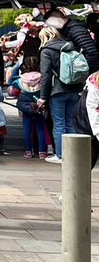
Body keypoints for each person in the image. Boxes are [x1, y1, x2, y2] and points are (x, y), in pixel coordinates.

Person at [37, 25, 84, 164]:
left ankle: (60, 155)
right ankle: (72, 155)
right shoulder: (70, 46)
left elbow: (46, 76)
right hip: (75, 89)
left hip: (57, 91)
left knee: (59, 124)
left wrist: (43, 97)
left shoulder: (46, 51)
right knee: (71, 122)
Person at [15, 55, 49, 159]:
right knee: (41, 128)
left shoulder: (21, 79)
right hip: (39, 106)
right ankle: (42, 152)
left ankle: (29, 151)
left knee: (27, 129)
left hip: (26, 107)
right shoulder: (42, 77)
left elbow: (13, 91)